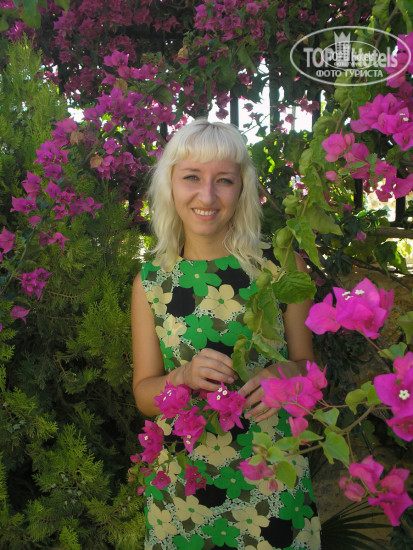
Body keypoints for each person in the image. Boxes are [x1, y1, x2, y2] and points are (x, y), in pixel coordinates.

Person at [131, 119, 321, 550]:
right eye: (192, 177)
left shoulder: (281, 267)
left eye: (224, 180)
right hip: (184, 490)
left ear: (242, 189)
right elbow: (144, 394)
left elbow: (310, 368)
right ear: (170, 185)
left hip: (271, 482)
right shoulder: (151, 282)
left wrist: (284, 376)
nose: (207, 196)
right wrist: (181, 377)